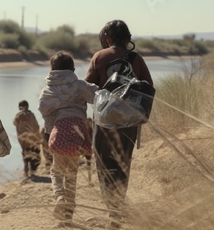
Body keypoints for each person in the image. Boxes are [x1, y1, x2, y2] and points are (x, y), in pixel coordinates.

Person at [84, 20, 153, 229]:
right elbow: (149, 87)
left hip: (104, 121)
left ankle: (111, 209)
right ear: (127, 38)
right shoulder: (137, 59)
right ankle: (118, 209)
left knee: (104, 164)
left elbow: (88, 87)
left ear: (107, 37)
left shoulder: (99, 57)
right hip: (129, 122)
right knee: (123, 163)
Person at [38, 51, 98, 221]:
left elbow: (44, 109)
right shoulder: (79, 86)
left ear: (52, 69)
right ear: (72, 69)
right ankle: (68, 214)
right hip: (78, 135)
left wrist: (50, 132)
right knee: (72, 174)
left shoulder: (48, 89)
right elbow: (96, 97)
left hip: (59, 133)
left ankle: (59, 197)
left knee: (56, 171)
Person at [13, 100, 42, 177]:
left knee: (26, 156)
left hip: (25, 141)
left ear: (19, 107)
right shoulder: (32, 114)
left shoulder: (19, 115)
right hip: (34, 140)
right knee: (34, 156)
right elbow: (37, 126)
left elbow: (15, 123)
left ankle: (26, 173)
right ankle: (32, 173)